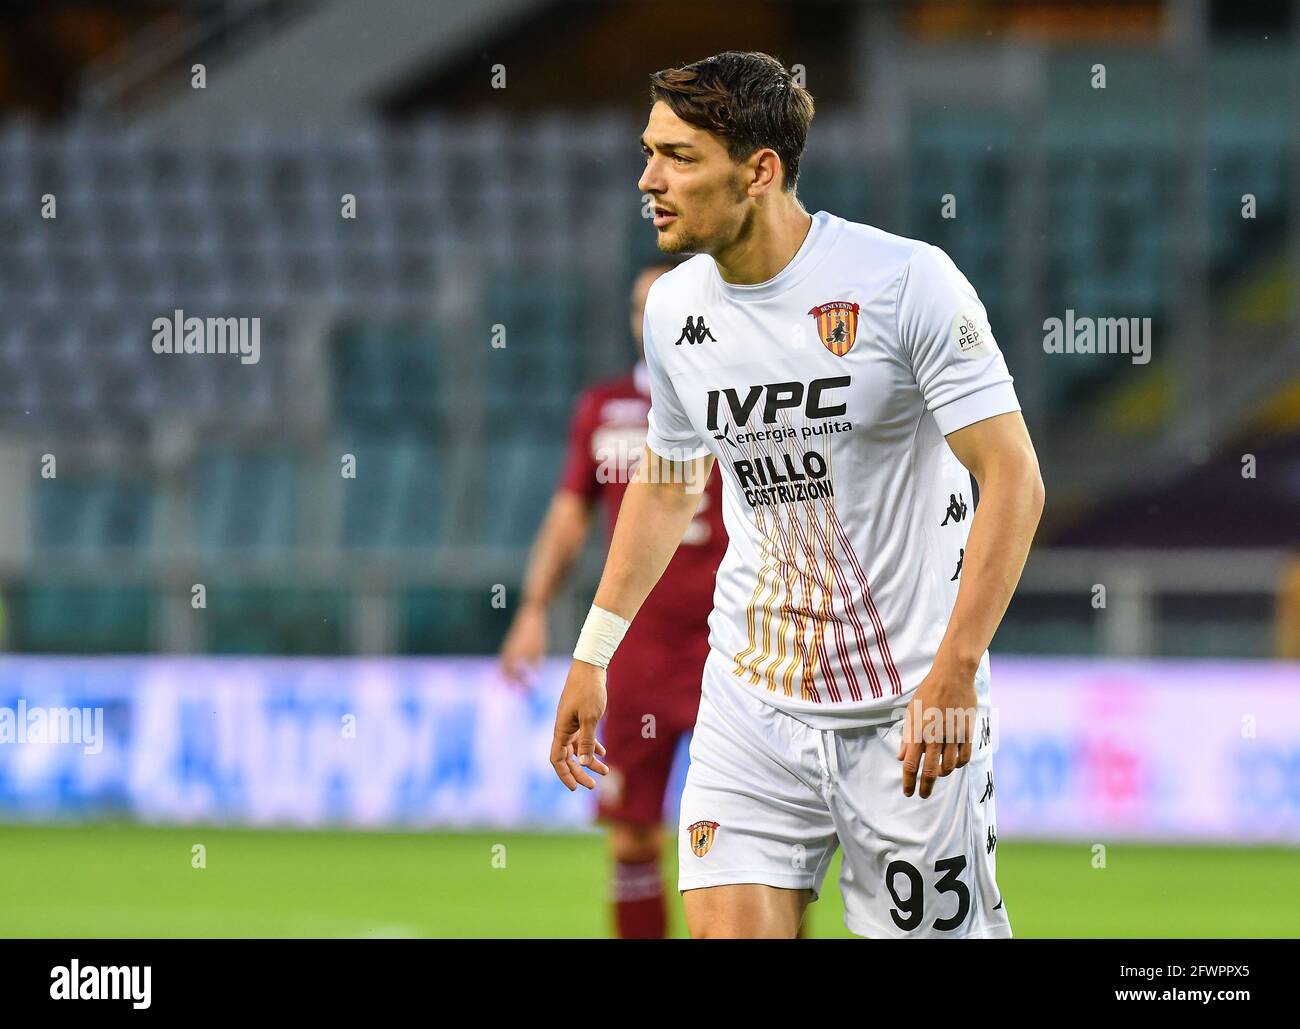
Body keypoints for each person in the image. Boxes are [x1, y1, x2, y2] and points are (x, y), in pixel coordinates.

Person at [549, 51, 1045, 939]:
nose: (647, 178)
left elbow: (1013, 475)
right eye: (648, 150)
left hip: (908, 713)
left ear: (759, 171)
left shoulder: (906, 283)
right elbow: (665, 487)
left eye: (678, 156)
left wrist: (958, 670)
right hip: (751, 705)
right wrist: (594, 650)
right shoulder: (673, 310)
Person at [500, 260, 727, 938]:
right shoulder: (605, 411)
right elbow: (570, 515)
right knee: (631, 836)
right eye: (638, 307)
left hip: (738, 650)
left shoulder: (742, 396)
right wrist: (534, 607)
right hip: (638, 655)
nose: (648, 318)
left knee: (765, 851)